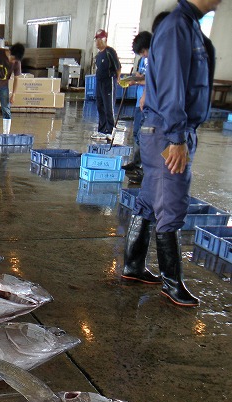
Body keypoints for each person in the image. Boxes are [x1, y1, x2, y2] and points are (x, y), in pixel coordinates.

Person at [121, 0, 219, 307]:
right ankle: (172, 284)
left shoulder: (189, 27)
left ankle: (133, 265)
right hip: (168, 132)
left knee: (150, 200)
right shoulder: (178, 26)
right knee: (172, 204)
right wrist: (177, 137)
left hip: (166, 130)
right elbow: (173, 85)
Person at [122, 31, 152, 183]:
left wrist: (140, 84)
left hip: (150, 104)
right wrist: (133, 79)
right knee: (136, 134)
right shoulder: (143, 60)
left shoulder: (157, 59)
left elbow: (154, 81)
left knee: (146, 136)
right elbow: (141, 75)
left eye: (143, 51)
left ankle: (145, 169)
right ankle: (136, 162)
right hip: (139, 102)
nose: (143, 54)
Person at [91, 29, 121, 141]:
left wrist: (117, 79)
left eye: (99, 39)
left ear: (104, 39)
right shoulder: (98, 55)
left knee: (109, 107)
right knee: (100, 106)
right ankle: (102, 130)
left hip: (109, 82)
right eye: (96, 39)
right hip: (99, 82)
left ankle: (110, 130)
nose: (97, 42)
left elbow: (118, 67)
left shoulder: (110, 52)